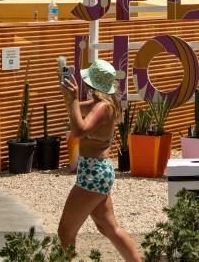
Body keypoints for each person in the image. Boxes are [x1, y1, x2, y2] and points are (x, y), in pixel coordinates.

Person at [58, 59, 142, 261]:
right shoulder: (103, 104)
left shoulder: (103, 107)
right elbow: (77, 109)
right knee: (109, 228)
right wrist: (69, 97)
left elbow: (78, 131)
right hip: (97, 172)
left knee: (65, 231)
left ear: (91, 83)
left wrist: (73, 99)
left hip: (93, 174)